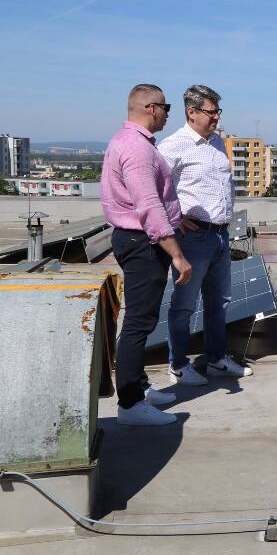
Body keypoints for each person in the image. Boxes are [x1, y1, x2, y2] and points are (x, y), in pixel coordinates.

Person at [101, 84, 193, 426]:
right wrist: (177, 254)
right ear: (151, 108)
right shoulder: (137, 149)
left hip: (136, 240)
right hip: (143, 243)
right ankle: (130, 404)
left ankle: (138, 386)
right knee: (139, 322)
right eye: (166, 107)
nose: (169, 113)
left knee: (142, 319)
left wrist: (177, 219)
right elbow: (148, 205)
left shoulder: (126, 142)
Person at [158, 85, 252, 386]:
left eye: (218, 112)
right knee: (185, 304)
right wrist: (175, 217)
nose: (216, 119)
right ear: (192, 112)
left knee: (219, 302)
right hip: (194, 238)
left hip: (221, 237)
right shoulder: (173, 146)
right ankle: (178, 365)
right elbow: (154, 188)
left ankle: (216, 359)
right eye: (212, 113)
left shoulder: (216, 143)